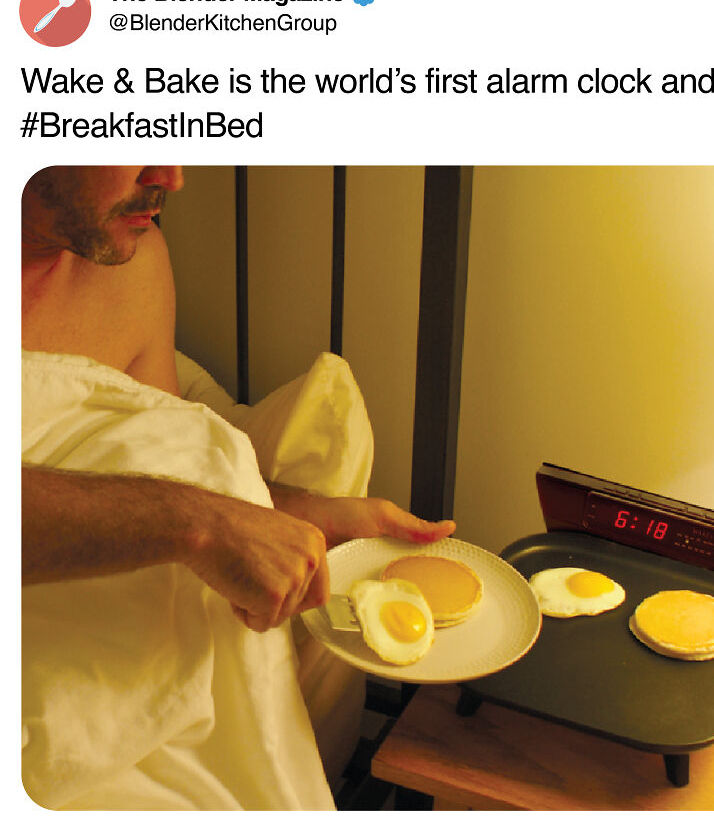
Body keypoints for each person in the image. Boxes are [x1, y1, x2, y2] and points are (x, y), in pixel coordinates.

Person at [21, 165, 454, 632]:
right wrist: (197, 525)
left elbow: (163, 473)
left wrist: (313, 517)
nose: (170, 176)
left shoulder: (132, 267)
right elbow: (180, 510)